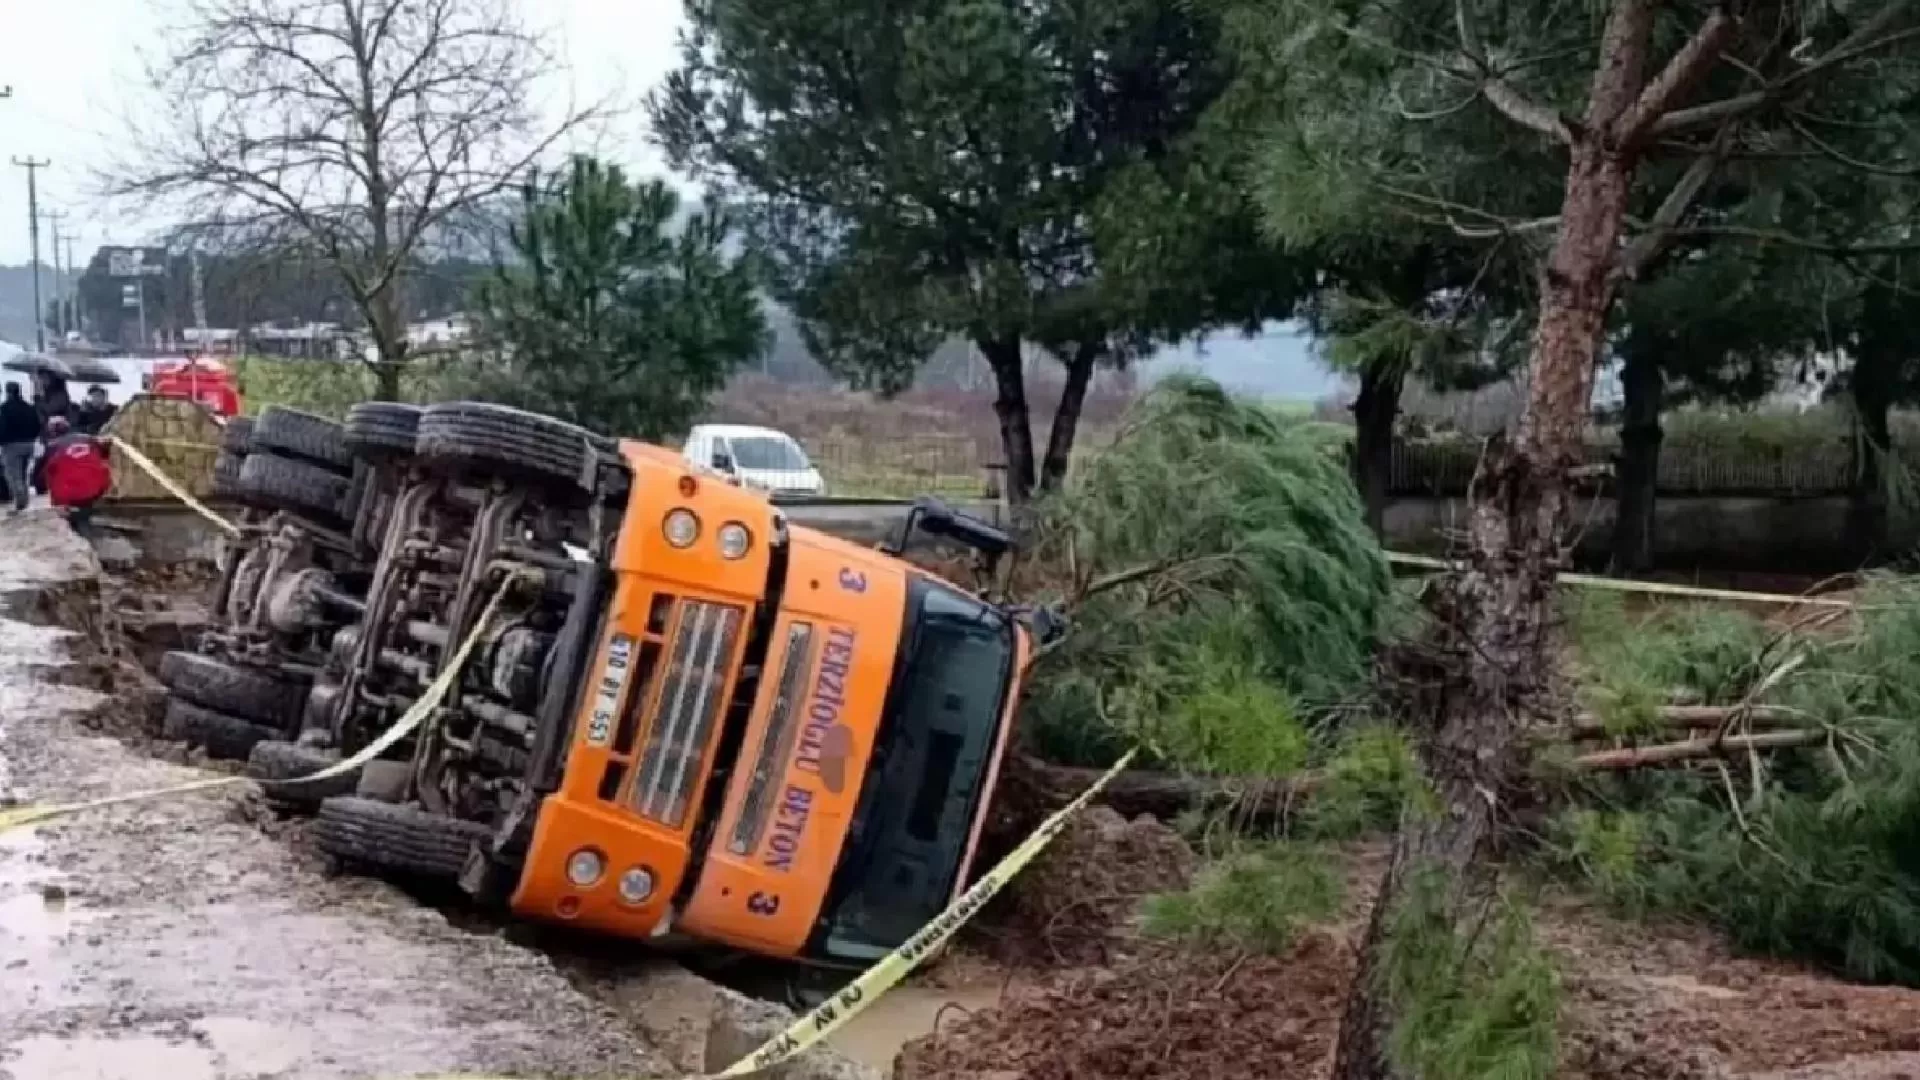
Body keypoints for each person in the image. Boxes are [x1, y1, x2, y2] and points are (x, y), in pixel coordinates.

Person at [32, 416, 113, 537]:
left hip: (67, 494)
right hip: (95, 488)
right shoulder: (88, 439)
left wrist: (40, 487)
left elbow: (39, 473)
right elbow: (105, 452)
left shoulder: (51, 448)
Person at [0, 382, 40, 515]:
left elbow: (2, 427)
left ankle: (20, 504)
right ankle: (24, 501)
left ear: (8, 392)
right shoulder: (29, 407)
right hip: (29, 444)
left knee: (13, 475)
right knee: (23, 474)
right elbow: (37, 425)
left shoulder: (4, 408)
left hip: (11, 445)